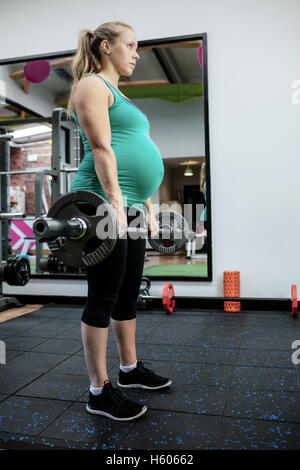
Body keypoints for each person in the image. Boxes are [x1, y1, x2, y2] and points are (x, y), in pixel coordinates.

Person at [67, 21, 172, 421]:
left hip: (126, 204)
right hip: (100, 203)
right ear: (106, 46)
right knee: (104, 294)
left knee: (129, 291)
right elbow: (101, 147)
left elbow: (134, 154)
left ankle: (128, 371)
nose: (136, 53)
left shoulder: (118, 93)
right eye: (130, 45)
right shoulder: (92, 85)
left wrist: (144, 205)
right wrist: (114, 202)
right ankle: (99, 390)